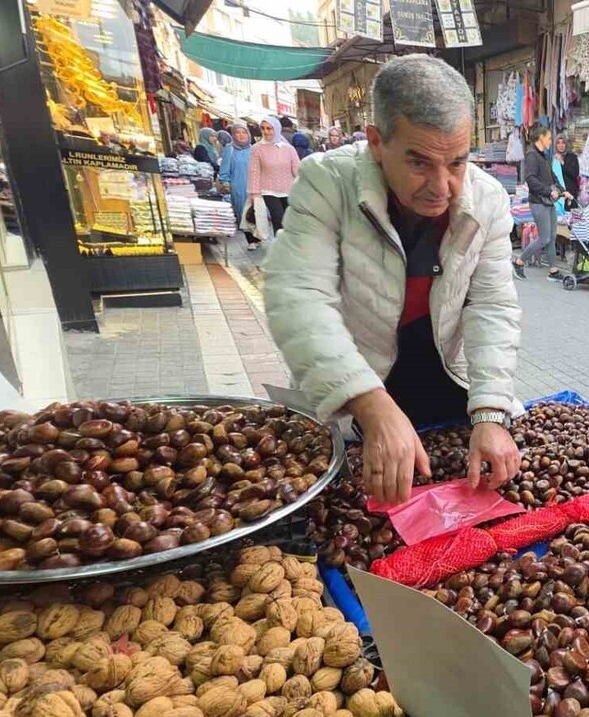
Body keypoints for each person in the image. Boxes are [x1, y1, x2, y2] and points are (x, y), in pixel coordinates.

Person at [262, 54, 522, 505]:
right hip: (358, 383)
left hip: (446, 385)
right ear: (377, 143)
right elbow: (299, 297)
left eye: (457, 163)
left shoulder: (488, 200)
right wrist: (369, 402)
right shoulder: (327, 182)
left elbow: (492, 307)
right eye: (420, 163)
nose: (442, 186)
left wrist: (490, 411)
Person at [513, 124, 565, 280]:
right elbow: (531, 179)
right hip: (538, 202)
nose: (550, 141)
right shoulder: (531, 155)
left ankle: (553, 271)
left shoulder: (543, 156)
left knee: (552, 236)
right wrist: (550, 191)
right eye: (549, 138)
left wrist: (562, 190)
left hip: (548, 202)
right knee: (544, 238)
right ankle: (519, 261)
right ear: (541, 137)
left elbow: (552, 177)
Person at [248, 115, 300, 236]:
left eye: (269, 128)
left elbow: (297, 169)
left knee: (290, 220)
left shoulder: (289, 149)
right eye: (263, 128)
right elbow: (254, 171)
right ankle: (280, 247)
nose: (266, 131)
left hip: (288, 190)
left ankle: (291, 245)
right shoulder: (257, 148)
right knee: (278, 219)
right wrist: (254, 192)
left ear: (276, 129)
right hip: (269, 190)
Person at [218, 123, 258, 251]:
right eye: (237, 133)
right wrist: (226, 182)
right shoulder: (230, 149)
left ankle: (258, 237)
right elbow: (224, 170)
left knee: (258, 212)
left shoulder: (254, 149)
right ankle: (250, 240)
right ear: (233, 135)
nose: (241, 135)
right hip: (239, 187)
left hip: (255, 186)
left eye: (244, 132)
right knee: (244, 214)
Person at [555, 134, 580, 208]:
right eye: (558, 143)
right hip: (558, 193)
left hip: (570, 192)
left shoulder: (572, 157)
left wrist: (562, 163)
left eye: (563, 143)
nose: (561, 145)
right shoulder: (554, 158)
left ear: (566, 144)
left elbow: (574, 174)